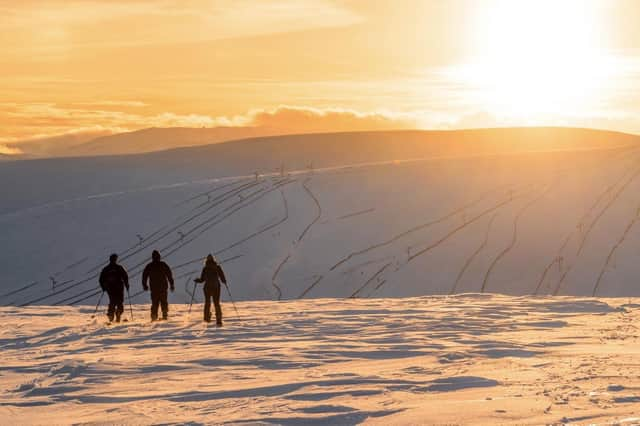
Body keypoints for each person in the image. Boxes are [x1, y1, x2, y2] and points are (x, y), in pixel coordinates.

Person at [194, 254, 227, 325]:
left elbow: (202, 279)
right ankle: (218, 320)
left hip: (207, 288)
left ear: (206, 260)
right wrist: (224, 282)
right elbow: (222, 276)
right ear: (213, 260)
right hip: (216, 287)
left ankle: (206, 318)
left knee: (207, 303)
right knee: (216, 303)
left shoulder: (205, 268)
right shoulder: (217, 267)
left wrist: (197, 280)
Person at [142, 250, 174, 321]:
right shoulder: (163, 264)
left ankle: (154, 316)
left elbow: (144, 276)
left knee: (155, 302)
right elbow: (169, 275)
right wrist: (171, 284)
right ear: (159, 257)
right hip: (163, 287)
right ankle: (164, 315)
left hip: (154, 288)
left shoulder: (149, 266)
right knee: (164, 301)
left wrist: (145, 285)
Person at [99, 253, 129, 323]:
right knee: (119, 302)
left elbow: (101, 279)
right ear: (115, 259)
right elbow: (125, 276)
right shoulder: (119, 267)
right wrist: (127, 285)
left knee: (112, 302)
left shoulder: (106, 269)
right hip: (119, 288)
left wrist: (103, 287)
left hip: (110, 288)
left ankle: (111, 316)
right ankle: (117, 316)